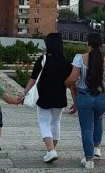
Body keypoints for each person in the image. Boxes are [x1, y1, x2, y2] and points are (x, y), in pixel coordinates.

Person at [66, 32, 105, 169]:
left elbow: (72, 79)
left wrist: (64, 83)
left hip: (85, 97)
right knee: (98, 120)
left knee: (87, 129)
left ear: (87, 43)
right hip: (101, 99)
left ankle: (89, 160)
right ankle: (96, 149)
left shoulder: (79, 59)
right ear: (101, 45)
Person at [21, 32, 73, 164]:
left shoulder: (43, 59)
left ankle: (50, 151)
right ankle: (51, 150)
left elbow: (33, 80)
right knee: (55, 123)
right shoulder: (67, 62)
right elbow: (71, 83)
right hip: (60, 96)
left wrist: (23, 94)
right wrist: (76, 101)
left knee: (43, 122)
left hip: (44, 96)